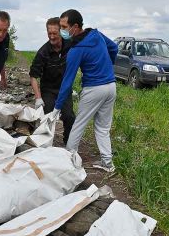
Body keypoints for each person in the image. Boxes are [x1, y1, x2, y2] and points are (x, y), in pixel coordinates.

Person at [52, 9, 118, 172]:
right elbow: (114, 48)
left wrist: (57, 107)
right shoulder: (97, 35)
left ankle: (68, 163)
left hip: (93, 89)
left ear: (75, 27)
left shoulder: (77, 50)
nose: (62, 31)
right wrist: (107, 67)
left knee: (78, 125)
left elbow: (67, 81)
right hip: (111, 86)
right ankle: (108, 163)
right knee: (103, 127)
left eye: (64, 27)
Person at [29, 17, 75, 144]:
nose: (52, 36)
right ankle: (46, 143)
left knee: (69, 117)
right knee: (47, 117)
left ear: (61, 32)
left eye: (55, 33)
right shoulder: (43, 52)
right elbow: (33, 76)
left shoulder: (70, 45)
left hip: (64, 89)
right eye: (49, 33)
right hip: (48, 90)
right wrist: (38, 97)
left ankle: (68, 143)